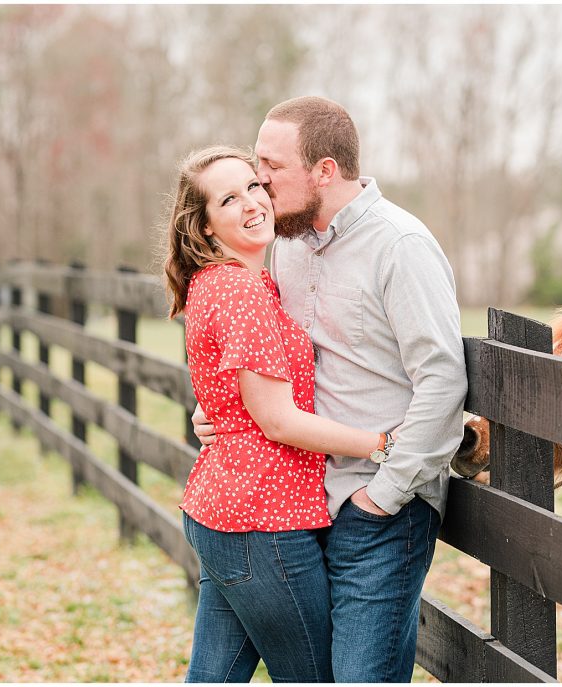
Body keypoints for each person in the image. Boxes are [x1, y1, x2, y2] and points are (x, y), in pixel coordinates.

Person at [193, 96, 468, 682]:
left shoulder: (401, 245)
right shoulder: (284, 245)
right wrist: (220, 405)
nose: (259, 180)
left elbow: (442, 380)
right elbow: (260, 352)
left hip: (378, 508)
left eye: (271, 166)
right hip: (301, 504)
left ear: (324, 171)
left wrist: (385, 495)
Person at [163, 144, 397, 683]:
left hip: (224, 514)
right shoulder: (242, 290)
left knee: (213, 678)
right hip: (263, 525)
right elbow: (277, 420)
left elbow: (233, 392)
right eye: (228, 198)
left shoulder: (224, 284)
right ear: (204, 229)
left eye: (252, 185)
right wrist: (380, 443)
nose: (252, 202)